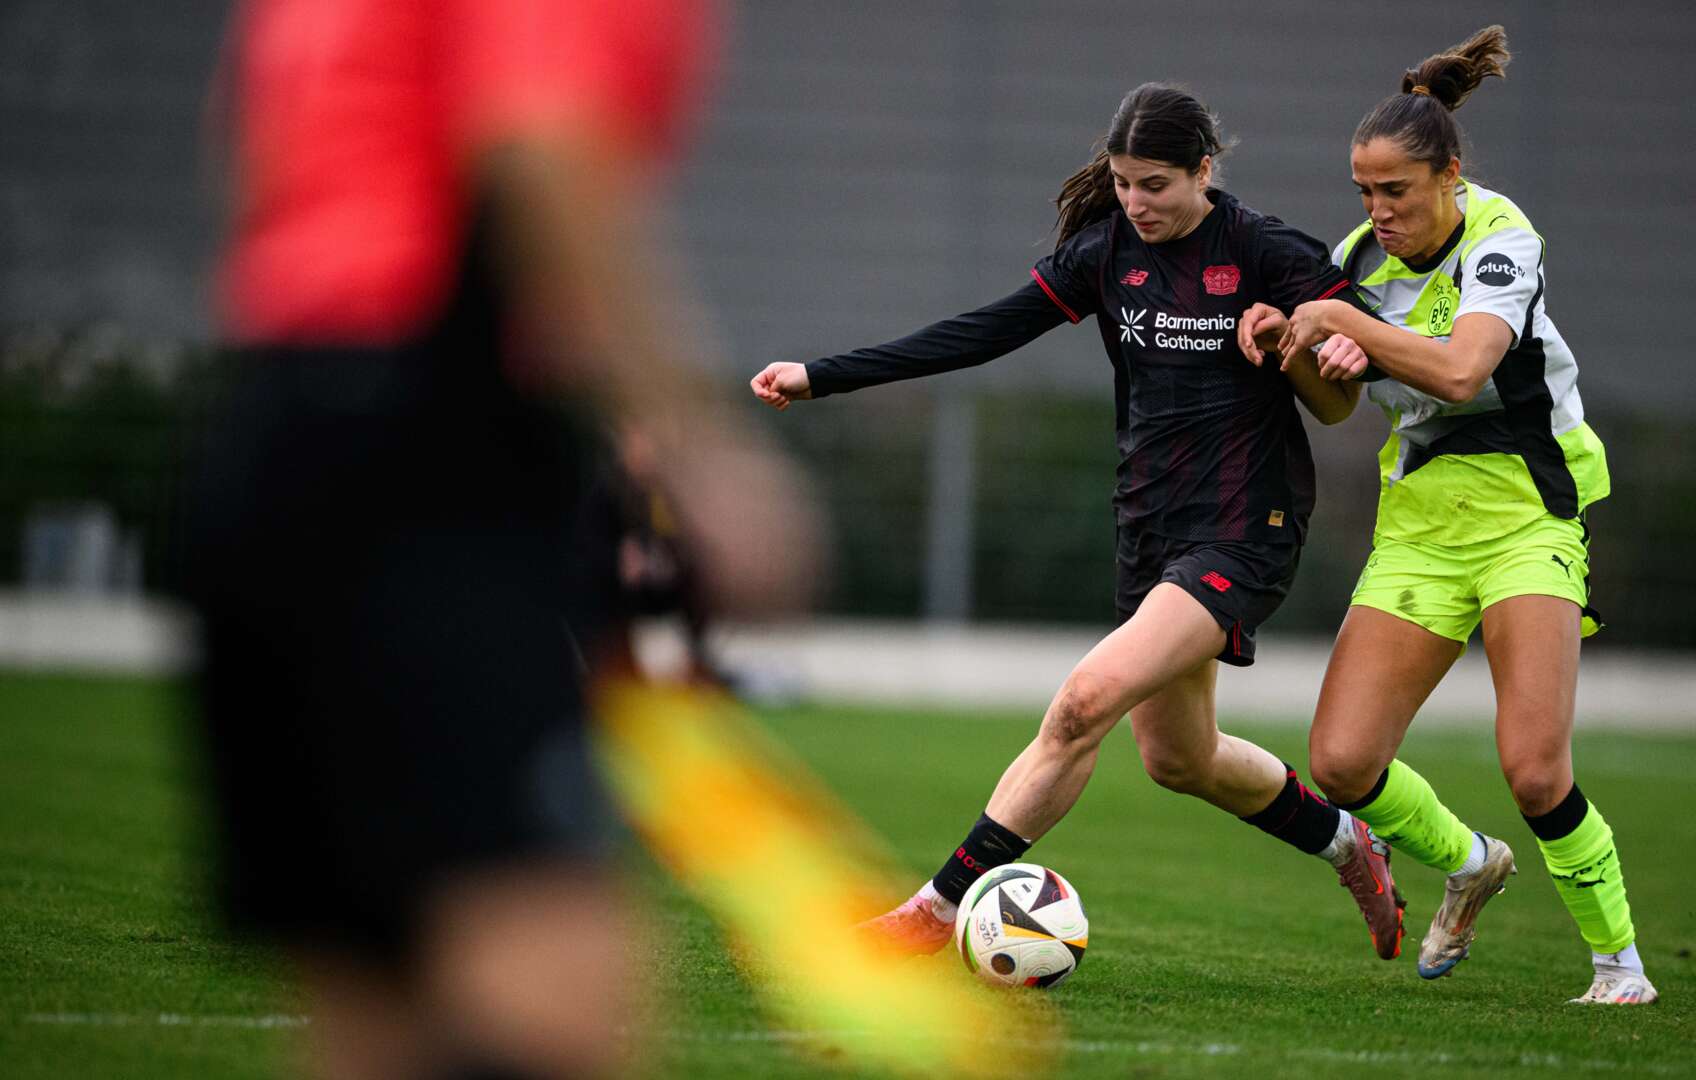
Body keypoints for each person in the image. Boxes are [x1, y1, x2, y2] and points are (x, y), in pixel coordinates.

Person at [188, 2, 811, 1077]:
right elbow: (542, 140)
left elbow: (248, 148)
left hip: (271, 428)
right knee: (554, 997)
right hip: (427, 443)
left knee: (380, 1011)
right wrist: (697, 452)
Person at [751, 83, 1407, 962]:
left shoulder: (1260, 247)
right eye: (1124, 182)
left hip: (1246, 524)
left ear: (1204, 170)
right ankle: (1345, 842)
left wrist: (1318, 339)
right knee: (1181, 758)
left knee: (1079, 706)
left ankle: (932, 913)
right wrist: (820, 375)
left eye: (1156, 185)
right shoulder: (1107, 254)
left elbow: (1360, 338)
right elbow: (980, 334)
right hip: (1150, 524)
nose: (1136, 203)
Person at [1236, 26, 1656, 1005]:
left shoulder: (1502, 239)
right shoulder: (1353, 264)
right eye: (1364, 193)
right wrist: (1291, 345)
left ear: (1450, 177)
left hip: (1528, 518)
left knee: (1536, 770)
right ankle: (1469, 863)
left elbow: (1466, 369)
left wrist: (1345, 324)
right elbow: (1338, 403)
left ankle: (1619, 965)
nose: (1378, 213)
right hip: (1419, 527)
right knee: (1340, 762)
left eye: (1397, 192)